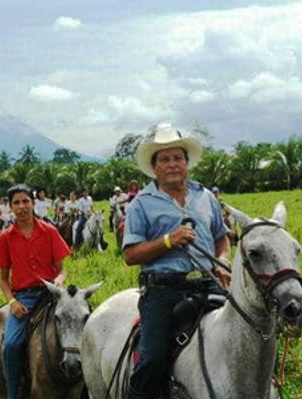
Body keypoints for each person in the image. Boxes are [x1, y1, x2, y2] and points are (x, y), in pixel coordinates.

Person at [122, 123, 232, 399]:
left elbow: (222, 237)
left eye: (177, 158)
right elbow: (130, 255)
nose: (172, 164)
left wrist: (222, 260)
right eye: (165, 159)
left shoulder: (206, 197)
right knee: (152, 360)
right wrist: (168, 241)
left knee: (251, 333)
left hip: (209, 283)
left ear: (187, 162)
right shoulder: (141, 204)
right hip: (163, 290)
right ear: (155, 166)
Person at [0, 184, 71, 399]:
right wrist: (12, 302)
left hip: (51, 293)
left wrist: (58, 282)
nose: (22, 206)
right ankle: (12, 393)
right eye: (16, 202)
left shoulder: (50, 231)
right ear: (10, 207)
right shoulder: (6, 237)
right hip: (24, 298)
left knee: (81, 326)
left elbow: (62, 269)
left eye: (25, 201)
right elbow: (3, 279)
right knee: (11, 345)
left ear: (33, 203)